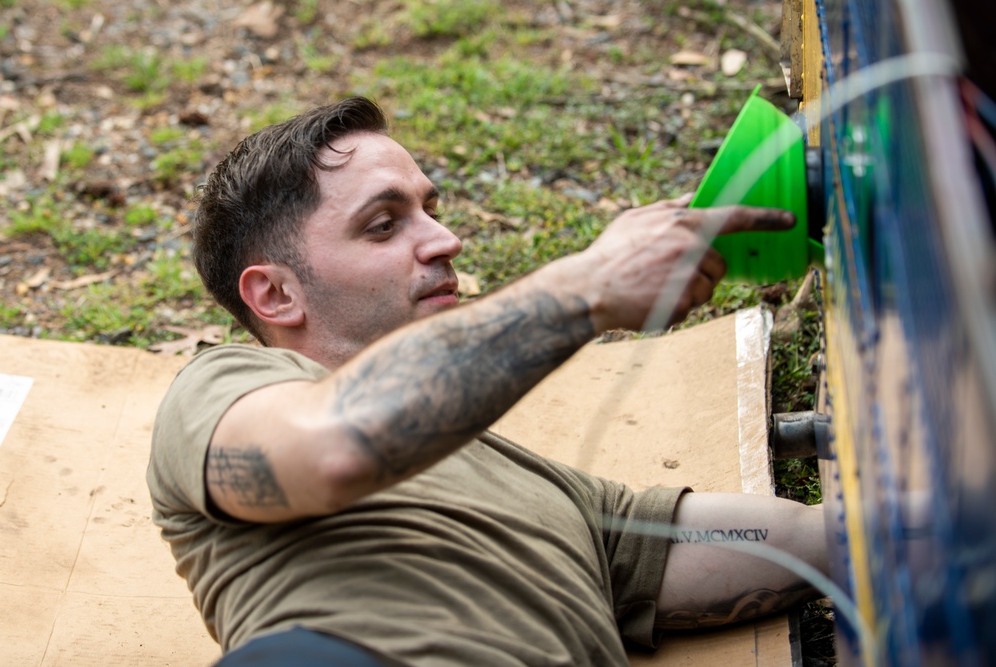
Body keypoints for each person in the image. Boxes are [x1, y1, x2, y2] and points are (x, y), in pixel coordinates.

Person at [147, 97, 827, 667]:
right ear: (275, 295)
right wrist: (585, 285)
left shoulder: (521, 478)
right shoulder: (221, 388)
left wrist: (876, 535)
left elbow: (684, 546)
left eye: (429, 208)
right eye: (384, 225)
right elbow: (332, 447)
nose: (445, 239)